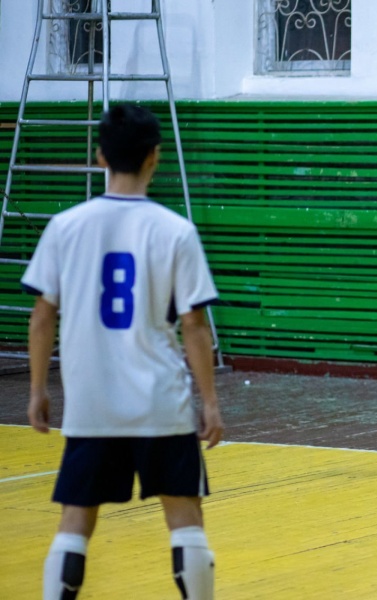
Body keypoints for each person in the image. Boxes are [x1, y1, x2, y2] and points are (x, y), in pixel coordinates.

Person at [22, 104, 222, 599]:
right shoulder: (176, 230)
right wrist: (211, 401)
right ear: (156, 156)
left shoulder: (65, 226)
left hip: (92, 403)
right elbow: (194, 325)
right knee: (185, 517)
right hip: (160, 401)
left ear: (100, 156)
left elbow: (42, 316)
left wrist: (37, 389)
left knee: (75, 520)